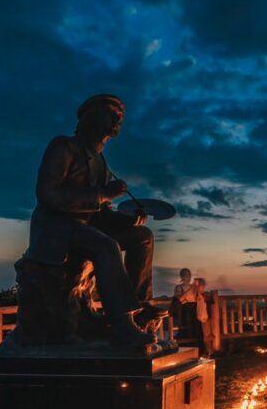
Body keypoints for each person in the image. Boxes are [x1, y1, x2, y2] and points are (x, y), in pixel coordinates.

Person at [23, 93, 164, 347]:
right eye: (110, 113)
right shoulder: (63, 147)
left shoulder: (101, 162)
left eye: (120, 116)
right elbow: (47, 194)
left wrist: (126, 220)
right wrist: (102, 194)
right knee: (105, 245)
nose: (117, 119)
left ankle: (141, 307)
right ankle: (122, 323)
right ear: (90, 118)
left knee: (143, 237)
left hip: (86, 228)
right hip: (56, 229)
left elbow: (101, 213)